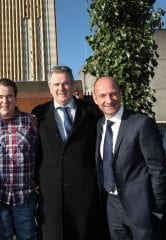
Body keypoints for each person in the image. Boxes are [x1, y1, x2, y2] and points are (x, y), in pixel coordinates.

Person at [31, 65, 105, 240]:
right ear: (50, 88)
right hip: (51, 194)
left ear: (73, 85)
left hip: (84, 191)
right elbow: (36, 151)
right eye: (56, 84)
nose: (61, 88)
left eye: (65, 83)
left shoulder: (92, 113)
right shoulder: (38, 114)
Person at [93, 75, 166, 239]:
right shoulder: (100, 125)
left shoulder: (141, 123)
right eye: (102, 95)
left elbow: (159, 170)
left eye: (113, 93)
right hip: (112, 206)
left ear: (120, 93)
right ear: (95, 99)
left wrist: (157, 209)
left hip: (142, 209)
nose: (109, 99)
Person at [0, 78, 39, 240]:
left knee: (27, 236)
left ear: (16, 97)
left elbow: (40, 153)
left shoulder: (31, 121)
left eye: (9, 96)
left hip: (25, 196)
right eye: (0, 97)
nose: (5, 101)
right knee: (2, 236)